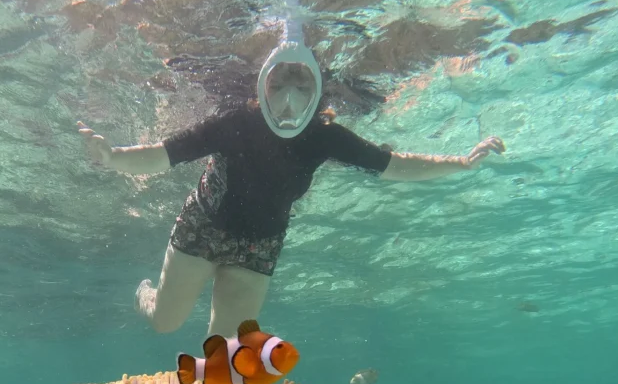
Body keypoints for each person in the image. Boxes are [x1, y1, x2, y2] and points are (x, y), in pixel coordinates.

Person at [79, 30, 505, 337]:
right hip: (201, 229)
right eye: (278, 82)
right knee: (165, 324)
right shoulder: (234, 124)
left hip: (261, 248)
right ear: (262, 86)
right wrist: (112, 157)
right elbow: (162, 154)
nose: (288, 97)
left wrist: (462, 163)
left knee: (225, 354)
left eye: (301, 84)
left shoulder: (326, 136)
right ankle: (145, 295)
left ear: (318, 91)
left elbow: (395, 165)